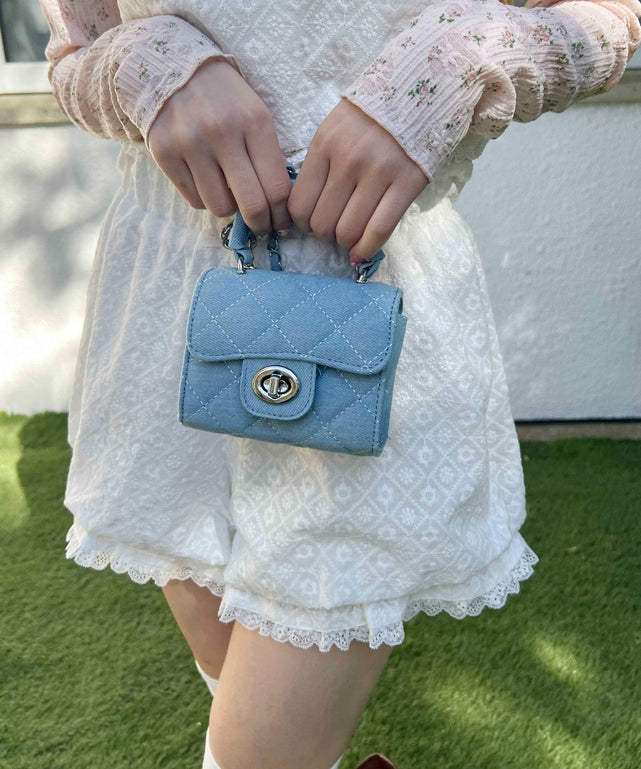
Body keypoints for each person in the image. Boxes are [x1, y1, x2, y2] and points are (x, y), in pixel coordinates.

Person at [38, 0, 640, 767]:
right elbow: (77, 52)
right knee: (231, 679)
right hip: (170, 307)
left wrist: (453, 62)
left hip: (372, 321)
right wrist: (146, 62)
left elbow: (604, 18)